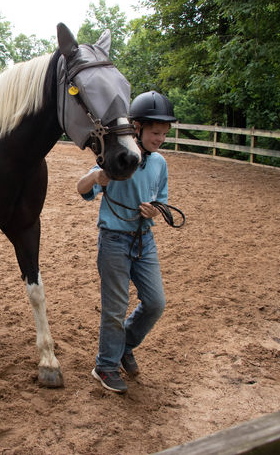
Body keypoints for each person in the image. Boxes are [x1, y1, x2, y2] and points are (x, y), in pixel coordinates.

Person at [77, 90, 176, 393]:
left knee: (156, 303)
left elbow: (161, 200)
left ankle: (124, 346)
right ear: (137, 128)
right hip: (114, 241)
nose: (160, 139)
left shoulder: (159, 163)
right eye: (155, 133)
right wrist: (96, 178)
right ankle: (105, 366)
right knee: (115, 308)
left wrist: (155, 210)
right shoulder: (117, 157)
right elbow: (81, 189)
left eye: (164, 134)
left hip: (145, 240)